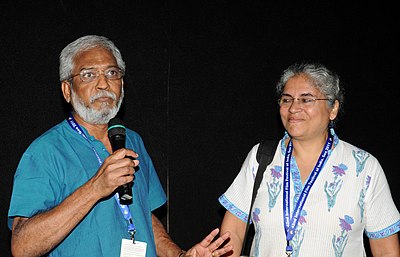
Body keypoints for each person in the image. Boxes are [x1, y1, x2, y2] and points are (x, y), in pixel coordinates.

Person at [8, 35, 233, 257]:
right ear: (67, 90)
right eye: (89, 75)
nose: (103, 83)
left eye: (112, 73)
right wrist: (95, 188)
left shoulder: (131, 140)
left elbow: (143, 215)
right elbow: (22, 246)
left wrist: (180, 255)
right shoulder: (45, 151)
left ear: (122, 84)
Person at [218, 62, 400, 256]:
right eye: (287, 100)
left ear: (333, 109)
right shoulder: (261, 158)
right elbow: (233, 232)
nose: (294, 108)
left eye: (306, 100)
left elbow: (385, 251)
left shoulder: (364, 167)